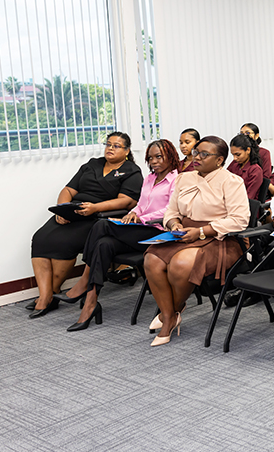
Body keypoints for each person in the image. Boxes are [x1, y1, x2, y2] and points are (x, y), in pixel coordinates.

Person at [55, 139, 180, 331]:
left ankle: (83, 282)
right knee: (103, 244)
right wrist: (133, 213)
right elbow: (140, 204)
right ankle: (90, 303)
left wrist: (141, 218)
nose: (154, 161)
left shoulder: (177, 180)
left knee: (101, 225)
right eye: (150, 158)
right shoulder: (150, 178)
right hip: (138, 229)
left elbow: (171, 210)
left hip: (157, 232)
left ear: (171, 156)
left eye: (159, 157)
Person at [144, 136, 250, 346]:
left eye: (204, 154)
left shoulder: (231, 181)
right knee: (151, 259)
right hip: (184, 233)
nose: (197, 157)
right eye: (196, 152)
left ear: (219, 160)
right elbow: (171, 211)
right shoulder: (184, 178)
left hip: (219, 237)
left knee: (181, 264)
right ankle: (170, 314)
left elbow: (239, 220)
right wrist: (174, 224)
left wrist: (201, 231)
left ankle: (169, 316)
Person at [29, 132, 143, 318]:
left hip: (98, 216)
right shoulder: (92, 164)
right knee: (41, 238)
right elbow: (68, 190)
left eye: (116, 146)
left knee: (64, 242)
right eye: (108, 144)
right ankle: (46, 294)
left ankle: (49, 295)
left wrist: (95, 208)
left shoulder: (132, 171)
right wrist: (62, 209)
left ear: (127, 150)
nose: (110, 148)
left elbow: (127, 201)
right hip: (73, 211)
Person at [226, 134, 264, 200]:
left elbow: (249, 196)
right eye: (233, 155)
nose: (234, 158)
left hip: (244, 203)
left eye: (238, 155)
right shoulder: (235, 165)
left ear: (248, 150)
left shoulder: (255, 170)